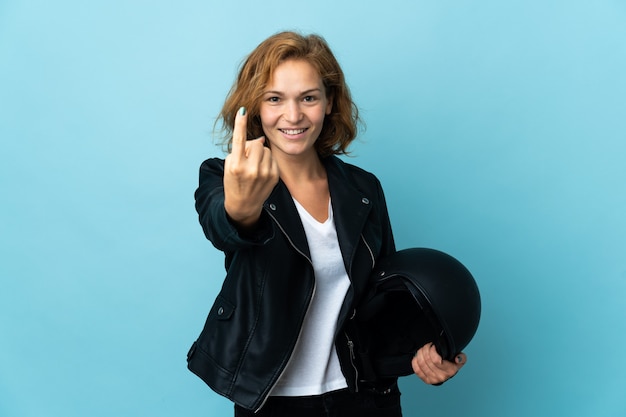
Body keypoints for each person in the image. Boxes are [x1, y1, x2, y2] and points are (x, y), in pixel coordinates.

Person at [188, 31, 466, 417]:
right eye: (275, 99)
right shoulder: (227, 177)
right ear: (254, 107)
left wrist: (422, 353)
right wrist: (241, 205)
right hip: (272, 400)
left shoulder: (363, 189)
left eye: (308, 97)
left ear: (329, 102)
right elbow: (223, 225)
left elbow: (382, 297)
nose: (293, 115)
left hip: (365, 396)